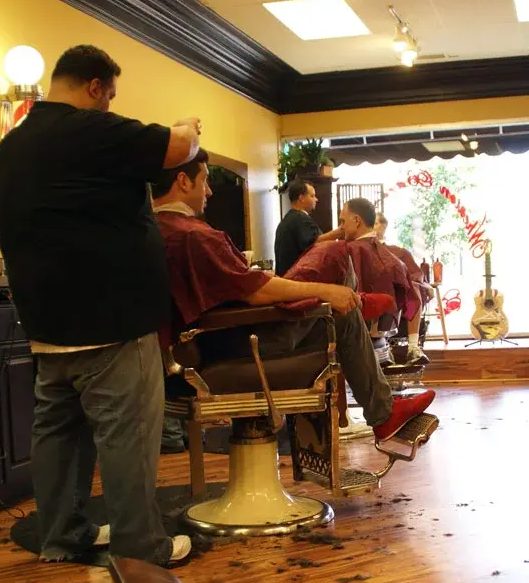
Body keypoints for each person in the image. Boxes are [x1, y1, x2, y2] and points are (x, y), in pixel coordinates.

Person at [0, 44, 201, 566]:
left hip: (48, 325)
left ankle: (62, 535)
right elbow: (180, 146)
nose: (110, 105)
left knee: (60, 437)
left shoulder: (12, 145)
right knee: (128, 438)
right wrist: (188, 124)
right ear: (94, 87)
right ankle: (141, 547)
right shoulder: (89, 130)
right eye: (109, 95)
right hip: (111, 320)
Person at [151, 151, 435, 442]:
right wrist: (326, 291)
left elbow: (241, 287)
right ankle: (383, 413)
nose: (209, 190)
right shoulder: (193, 235)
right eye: (205, 181)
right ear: (183, 181)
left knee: (338, 308)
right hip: (241, 343)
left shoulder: (159, 229)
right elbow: (257, 292)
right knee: (340, 311)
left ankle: (383, 409)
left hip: (205, 346)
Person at [339, 200, 428, 365]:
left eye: (342, 222)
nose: (340, 227)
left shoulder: (351, 250)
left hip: (360, 321)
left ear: (357, 221)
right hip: (384, 320)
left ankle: (411, 347)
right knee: (413, 288)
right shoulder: (389, 256)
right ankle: (408, 347)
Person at [375, 213, 432, 363]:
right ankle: (382, 348)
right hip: (371, 296)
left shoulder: (399, 252)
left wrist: (424, 285)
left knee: (414, 287)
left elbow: (415, 274)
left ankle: (413, 347)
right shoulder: (359, 249)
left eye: (374, 223)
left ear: (383, 226)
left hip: (400, 296)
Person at [274, 179, 344, 276]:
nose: (316, 199)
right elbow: (315, 243)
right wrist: (341, 230)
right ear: (301, 198)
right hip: (296, 279)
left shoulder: (290, 218)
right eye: (312, 196)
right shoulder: (299, 218)